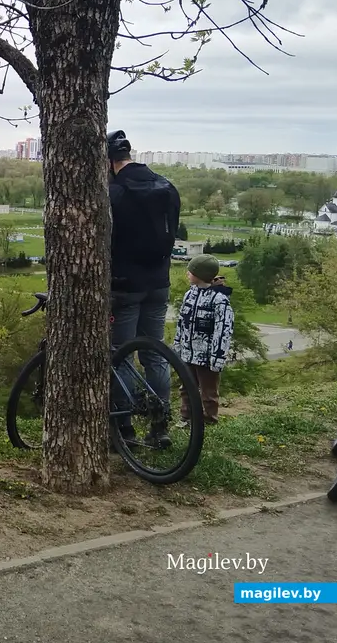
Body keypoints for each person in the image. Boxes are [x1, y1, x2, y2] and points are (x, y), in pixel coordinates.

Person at [107, 130, 181, 448]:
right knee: (155, 354)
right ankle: (160, 426)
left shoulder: (114, 192)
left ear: (109, 161)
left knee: (121, 356)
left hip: (125, 285)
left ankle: (124, 430)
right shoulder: (166, 186)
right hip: (159, 282)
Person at [173, 254, 234, 425]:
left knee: (208, 391)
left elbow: (223, 330)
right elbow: (181, 321)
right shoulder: (189, 295)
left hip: (207, 357)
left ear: (200, 274)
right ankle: (186, 416)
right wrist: (177, 344)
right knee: (186, 386)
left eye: (190, 271)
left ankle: (209, 419)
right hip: (187, 353)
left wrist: (218, 357)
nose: (187, 273)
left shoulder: (219, 300)